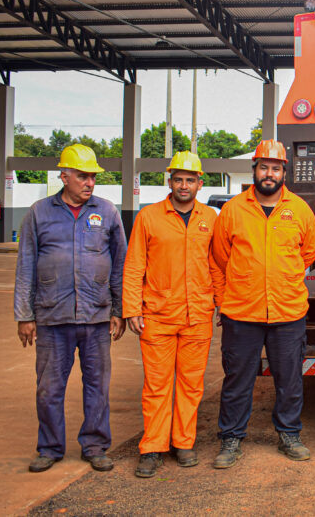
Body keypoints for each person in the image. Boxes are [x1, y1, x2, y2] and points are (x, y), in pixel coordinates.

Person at [13, 144, 127, 472]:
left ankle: (95, 445)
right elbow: (26, 264)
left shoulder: (107, 212)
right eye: (82, 176)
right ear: (64, 176)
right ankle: (50, 447)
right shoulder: (39, 213)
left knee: (97, 385)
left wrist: (119, 310)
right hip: (52, 316)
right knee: (49, 387)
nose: (89, 182)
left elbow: (120, 262)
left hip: (96, 316)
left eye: (92, 176)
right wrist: (24, 315)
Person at [209, 140, 315, 467]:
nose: (269, 173)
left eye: (275, 168)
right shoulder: (232, 210)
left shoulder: (299, 209)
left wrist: (282, 276)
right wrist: (224, 298)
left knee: (289, 379)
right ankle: (231, 439)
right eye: (263, 167)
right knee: (237, 380)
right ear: (254, 170)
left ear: (284, 172)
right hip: (241, 311)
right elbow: (218, 258)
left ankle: (289, 433)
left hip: (288, 312)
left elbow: (310, 251)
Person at [123, 151, 221, 478]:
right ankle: (152, 447)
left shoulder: (211, 219)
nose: (183, 185)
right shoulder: (149, 217)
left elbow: (217, 265)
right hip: (158, 315)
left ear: (200, 183)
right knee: (157, 385)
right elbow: (134, 264)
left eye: (190, 179)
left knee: (191, 385)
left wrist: (222, 303)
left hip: (198, 316)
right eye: (178, 178)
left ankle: (183, 442)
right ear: (169, 181)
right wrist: (131, 308)